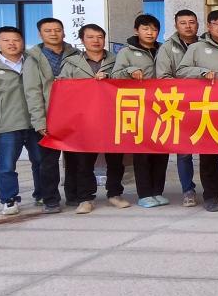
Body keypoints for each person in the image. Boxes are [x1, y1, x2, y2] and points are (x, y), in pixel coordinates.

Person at [177, 9, 218, 212]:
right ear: (208, 26)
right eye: (217, 24)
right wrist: (202, 72)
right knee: (209, 153)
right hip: (206, 108)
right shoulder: (196, 48)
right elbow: (181, 71)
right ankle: (212, 195)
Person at [59, 23, 128, 213]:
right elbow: (63, 89)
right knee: (84, 161)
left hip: (112, 117)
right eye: (90, 37)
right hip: (83, 119)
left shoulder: (117, 60)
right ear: (82, 40)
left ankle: (115, 194)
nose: (96, 41)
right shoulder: (72, 63)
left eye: (99, 37)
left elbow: (126, 81)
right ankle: (86, 198)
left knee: (115, 160)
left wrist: (110, 78)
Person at [0, 26, 42, 215]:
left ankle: (42, 194)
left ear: (22, 42)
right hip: (7, 126)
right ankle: (9, 199)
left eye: (16, 40)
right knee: (6, 165)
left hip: (35, 123)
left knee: (40, 161)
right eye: (6, 40)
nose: (12, 44)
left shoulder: (33, 63)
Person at [23, 17, 80, 214]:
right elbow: (32, 92)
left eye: (57, 30)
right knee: (48, 162)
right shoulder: (33, 59)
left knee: (75, 159)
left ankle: (74, 195)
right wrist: (39, 121)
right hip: (49, 116)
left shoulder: (75, 55)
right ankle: (51, 200)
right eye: (48, 31)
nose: (53, 34)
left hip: (73, 116)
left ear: (64, 32)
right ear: (40, 34)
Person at [112, 14, 168, 208]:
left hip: (162, 107)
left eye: (154, 29)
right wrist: (130, 71)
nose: (150, 33)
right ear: (137, 31)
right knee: (142, 152)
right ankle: (144, 194)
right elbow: (115, 75)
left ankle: (157, 191)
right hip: (139, 108)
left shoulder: (163, 50)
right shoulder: (126, 52)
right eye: (145, 29)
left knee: (162, 149)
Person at [155, 9, 200, 207]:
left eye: (192, 22)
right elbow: (163, 77)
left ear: (197, 24)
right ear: (176, 25)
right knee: (184, 151)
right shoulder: (167, 48)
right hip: (179, 105)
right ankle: (188, 190)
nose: (188, 26)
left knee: (212, 149)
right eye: (183, 23)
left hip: (206, 104)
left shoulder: (205, 45)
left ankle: (216, 189)